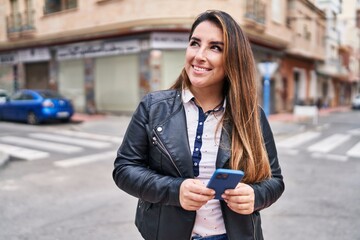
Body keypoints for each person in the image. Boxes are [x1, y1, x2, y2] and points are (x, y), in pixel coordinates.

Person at [113, 10, 284, 240]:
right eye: (195, 43)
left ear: (233, 58)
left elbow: (275, 181)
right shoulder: (153, 107)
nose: (199, 55)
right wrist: (175, 190)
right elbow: (124, 169)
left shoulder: (252, 116)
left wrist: (256, 196)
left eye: (215, 47)